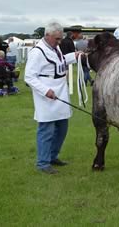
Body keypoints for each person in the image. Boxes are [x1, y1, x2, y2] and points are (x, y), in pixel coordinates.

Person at [24, 22, 83, 175]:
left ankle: (52, 156)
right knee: (46, 130)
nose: (60, 42)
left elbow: (59, 62)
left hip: (61, 91)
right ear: (47, 35)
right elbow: (29, 76)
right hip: (47, 95)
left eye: (60, 39)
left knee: (62, 128)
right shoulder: (37, 52)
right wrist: (45, 91)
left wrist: (73, 57)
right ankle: (42, 163)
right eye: (57, 39)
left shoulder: (54, 47)